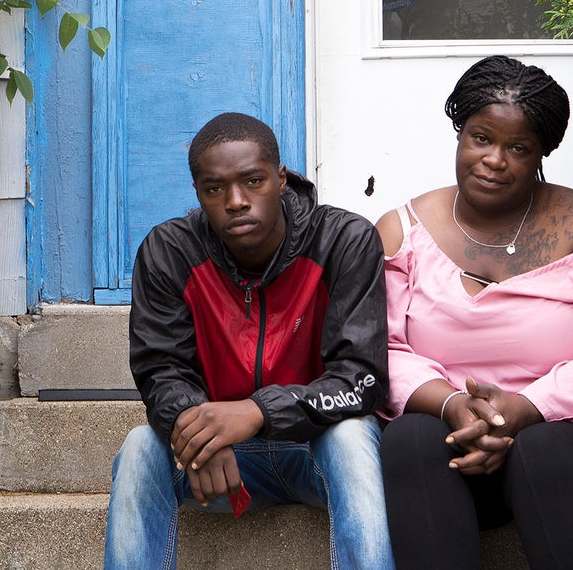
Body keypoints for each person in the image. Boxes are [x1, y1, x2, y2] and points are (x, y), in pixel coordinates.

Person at [375, 56, 573, 570]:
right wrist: (454, 407)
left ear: (542, 152)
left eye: (518, 148)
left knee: (540, 449)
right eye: (481, 138)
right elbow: (379, 350)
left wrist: (522, 411)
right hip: (450, 447)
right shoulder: (402, 231)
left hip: (566, 449)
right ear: (460, 133)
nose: (494, 160)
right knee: (409, 438)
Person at [103, 112, 394, 570]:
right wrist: (198, 431)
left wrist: (258, 411)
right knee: (141, 446)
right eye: (213, 189)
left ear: (281, 179)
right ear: (198, 192)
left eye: (253, 181)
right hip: (222, 467)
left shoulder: (342, 240)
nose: (235, 201)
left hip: (316, 452)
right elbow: (161, 371)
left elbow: (362, 379)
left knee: (354, 436)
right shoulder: (170, 251)